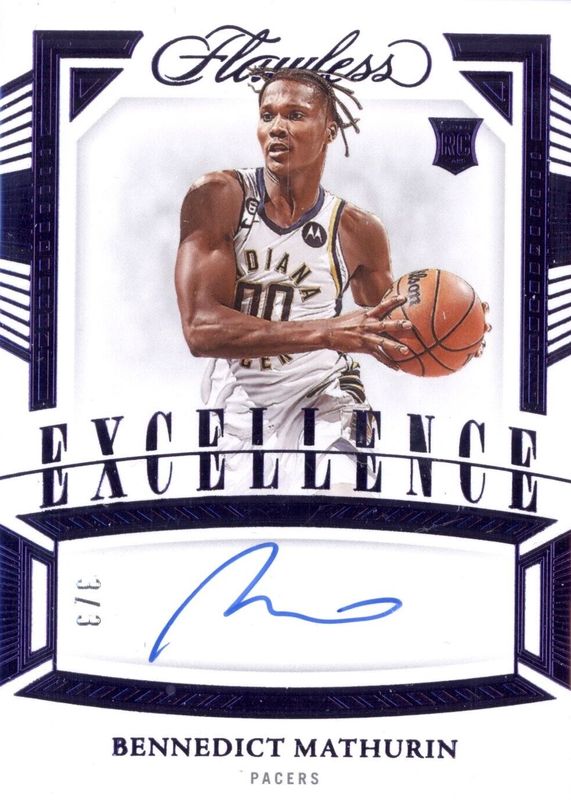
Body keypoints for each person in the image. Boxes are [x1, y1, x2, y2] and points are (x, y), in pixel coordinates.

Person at [174, 68, 413, 488]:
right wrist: (329, 332)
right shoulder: (218, 196)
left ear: (329, 130)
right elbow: (200, 330)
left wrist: (454, 324)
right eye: (267, 115)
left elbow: (393, 325)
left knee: (341, 496)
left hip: (325, 391)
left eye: (295, 115)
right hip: (241, 403)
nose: (277, 128)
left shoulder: (358, 230)